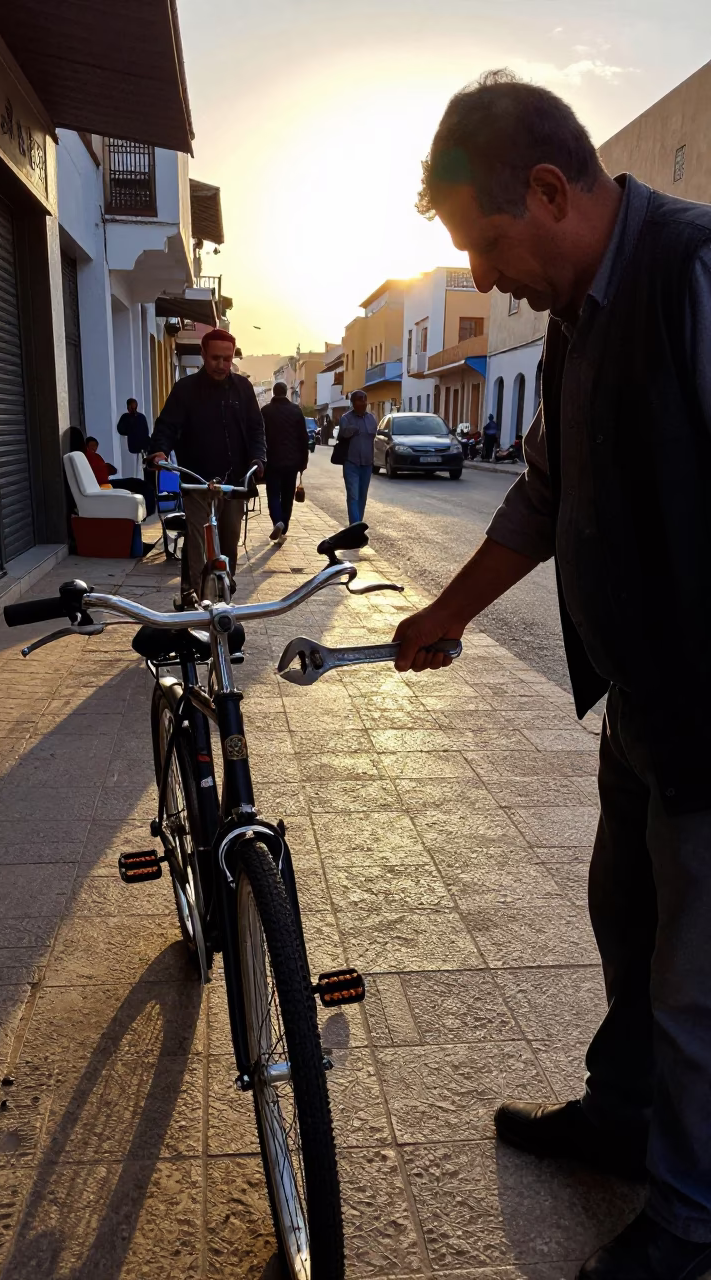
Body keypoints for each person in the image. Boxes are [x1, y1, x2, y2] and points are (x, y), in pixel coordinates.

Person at [395, 70, 711, 1279]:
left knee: (698, 984)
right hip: (640, 709)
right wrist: (445, 613)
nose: (482, 278)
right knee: (627, 928)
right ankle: (621, 1121)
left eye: (485, 243)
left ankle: (689, 1224)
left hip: (710, 719)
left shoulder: (689, 273)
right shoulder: (579, 321)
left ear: (545, 189)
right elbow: (546, 496)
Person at [147, 329, 266, 606]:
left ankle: (225, 596)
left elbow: (256, 429)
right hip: (197, 481)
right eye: (215, 358)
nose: (221, 364)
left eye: (227, 358)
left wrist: (259, 459)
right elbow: (167, 426)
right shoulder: (185, 390)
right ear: (203, 355)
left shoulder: (243, 389)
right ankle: (196, 599)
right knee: (199, 544)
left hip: (234, 483)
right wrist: (159, 451)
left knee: (229, 543)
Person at [261, 381, 309, 544]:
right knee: (287, 496)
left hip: (272, 461)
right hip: (292, 462)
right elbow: (303, 438)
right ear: (286, 393)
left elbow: (259, 437)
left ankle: (277, 522)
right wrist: (303, 462)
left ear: (274, 393)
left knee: (273, 493)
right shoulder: (296, 411)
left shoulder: (266, 411)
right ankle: (284, 527)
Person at [338, 390, 377, 525]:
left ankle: (358, 524)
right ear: (353, 402)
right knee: (353, 495)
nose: (363, 402)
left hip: (367, 463)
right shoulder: (346, 418)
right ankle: (354, 525)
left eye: (364, 399)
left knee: (362, 496)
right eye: (359, 400)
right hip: (351, 462)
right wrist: (352, 429)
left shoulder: (371, 419)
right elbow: (343, 434)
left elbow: (373, 437)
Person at [83, 437, 151, 513]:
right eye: (92, 445)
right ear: (86, 445)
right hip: (103, 485)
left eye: (95, 446)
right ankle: (147, 511)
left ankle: (146, 511)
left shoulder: (96, 457)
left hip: (105, 484)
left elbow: (108, 470)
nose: (94, 448)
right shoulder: (87, 457)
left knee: (139, 483)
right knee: (140, 485)